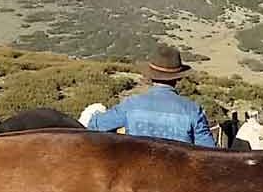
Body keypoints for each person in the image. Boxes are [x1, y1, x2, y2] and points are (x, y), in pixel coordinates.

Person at [87, 44, 218, 147]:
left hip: (135, 176)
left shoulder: (131, 105)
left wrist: (96, 112)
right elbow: (208, 151)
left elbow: (95, 126)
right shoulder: (193, 110)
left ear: (150, 77)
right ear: (177, 78)